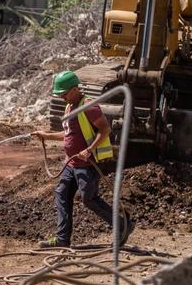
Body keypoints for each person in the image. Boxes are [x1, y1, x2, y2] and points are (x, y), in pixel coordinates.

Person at [31, 70, 134, 248]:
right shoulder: (70, 107)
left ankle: (123, 225)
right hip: (71, 163)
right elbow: (69, 134)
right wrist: (46, 136)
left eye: (63, 94)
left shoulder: (89, 106)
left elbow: (105, 129)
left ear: (73, 89)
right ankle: (62, 239)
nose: (62, 97)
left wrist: (89, 150)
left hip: (87, 163)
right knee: (61, 194)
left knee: (89, 198)